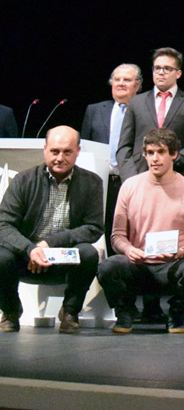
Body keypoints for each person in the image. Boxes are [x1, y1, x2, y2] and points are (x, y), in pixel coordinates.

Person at [99, 128, 184, 333]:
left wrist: (182, 252)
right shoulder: (130, 186)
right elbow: (117, 236)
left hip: (171, 266)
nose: (154, 158)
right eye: (150, 153)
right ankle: (123, 312)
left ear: (174, 154)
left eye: (160, 152)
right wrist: (129, 249)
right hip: (138, 265)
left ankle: (176, 313)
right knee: (108, 267)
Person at [0, 126, 103, 334]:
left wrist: (50, 243)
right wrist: (30, 249)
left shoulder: (92, 182)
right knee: (1, 256)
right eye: (55, 151)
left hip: (63, 255)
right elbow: (4, 224)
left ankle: (70, 312)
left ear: (78, 152)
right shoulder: (23, 179)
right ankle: (10, 311)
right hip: (26, 256)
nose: (60, 158)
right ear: (45, 149)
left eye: (67, 152)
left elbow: (94, 228)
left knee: (88, 253)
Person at [117, 47, 184, 181]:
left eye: (167, 69)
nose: (161, 72)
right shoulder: (136, 102)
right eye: (157, 68)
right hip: (139, 175)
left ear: (178, 73)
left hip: (176, 176)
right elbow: (124, 146)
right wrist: (130, 178)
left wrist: (169, 161)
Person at [82, 63, 143, 251]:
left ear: (138, 85)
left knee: (129, 230)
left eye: (127, 80)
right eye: (117, 79)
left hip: (131, 182)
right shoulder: (94, 110)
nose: (121, 83)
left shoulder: (144, 112)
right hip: (99, 182)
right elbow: (84, 145)